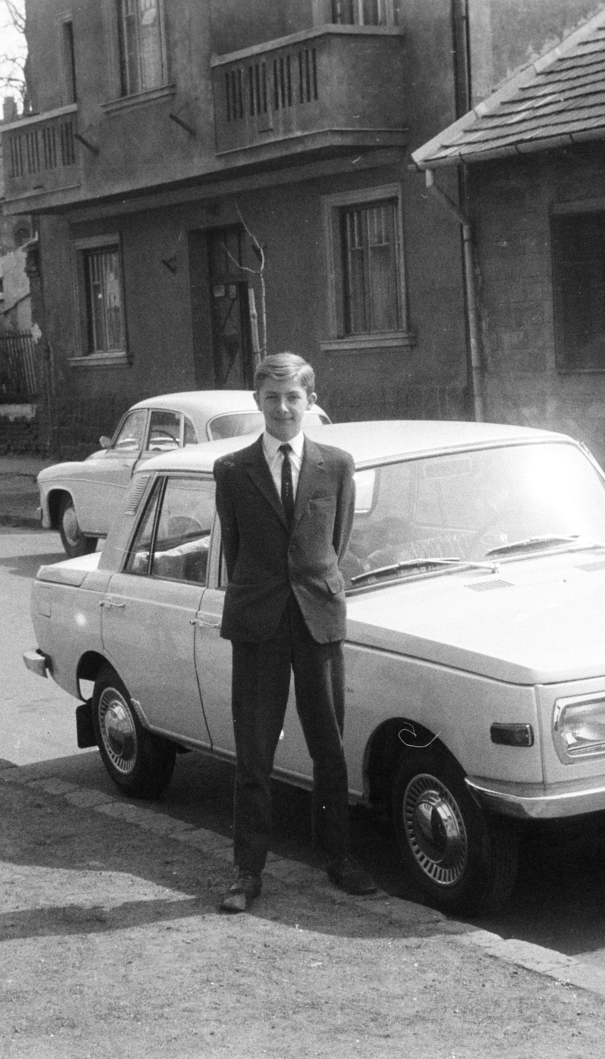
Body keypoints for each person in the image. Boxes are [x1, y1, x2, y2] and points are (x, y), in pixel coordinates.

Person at [212, 352, 377, 913]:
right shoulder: (232, 471)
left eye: (293, 398)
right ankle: (247, 871)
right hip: (259, 622)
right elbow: (236, 552)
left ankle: (337, 858)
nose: (282, 409)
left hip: (318, 617)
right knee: (254, 751)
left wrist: (310, 588)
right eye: (271, 399)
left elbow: (336, 539)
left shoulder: (337, 465)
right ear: (257, 403)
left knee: (328, 746)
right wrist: (266, 593)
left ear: (310, 402)